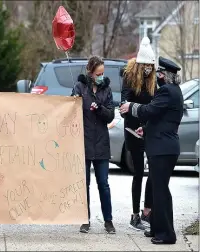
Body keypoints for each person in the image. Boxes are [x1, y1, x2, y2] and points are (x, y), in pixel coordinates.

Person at [120, 56, 183, 244]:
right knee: (156, 189)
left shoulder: (167, 92)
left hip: (163, 149)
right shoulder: (172, 91)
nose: (157, 77)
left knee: (161, 191)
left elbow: (150, 111)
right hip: (162, 146)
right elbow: (161, 119)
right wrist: (145, 129)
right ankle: (156, 228)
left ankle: (166, 234)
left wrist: (130, 106)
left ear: (164, 75)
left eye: (159, 73)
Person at [71, 56, 116, 234]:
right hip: (84, 141)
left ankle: (108, 220)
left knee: (103, 183)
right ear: (90, 72)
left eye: (103, 73)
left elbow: (111, 115)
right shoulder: (80, 87)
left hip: (102, 144)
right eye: (98, 73)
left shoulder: (107, 89)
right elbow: (70, 111)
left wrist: (100, 109)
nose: (101, 76)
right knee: (85, 184)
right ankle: (85, 219)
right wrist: (73, 100)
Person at [120, 37, 155, 231]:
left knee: (152, 172)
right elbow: (124, 100)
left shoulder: (153, 81)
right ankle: (134, 215)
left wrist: (137, 109)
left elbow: (155, 104)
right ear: (140, 65)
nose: (149, 69)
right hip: (132, 129)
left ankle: (147, 211)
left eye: (151, 66)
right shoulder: (130, 76)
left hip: (148, 128)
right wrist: (129, 106)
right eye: (146, 66)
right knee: (139, 172)